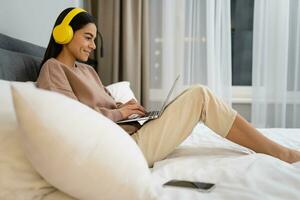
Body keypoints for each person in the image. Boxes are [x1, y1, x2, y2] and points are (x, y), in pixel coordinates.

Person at [37, 7, 300, 167]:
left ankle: (276, 149)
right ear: (64, 33)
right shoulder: (53, 69)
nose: (93, 45)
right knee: (200, 95)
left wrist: (126, 108)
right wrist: (120, 114)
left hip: (130, 134)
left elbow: (104, 105)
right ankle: (280, 152)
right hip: (119, 148)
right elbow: (71, 120)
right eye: (88, 37)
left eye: (94, 39)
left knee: (193, 95)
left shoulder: (87, 70)